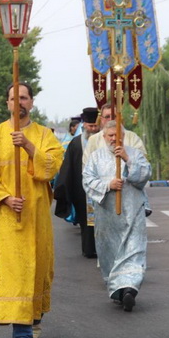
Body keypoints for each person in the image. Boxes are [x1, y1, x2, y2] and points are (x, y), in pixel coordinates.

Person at [0, 82, 63, 338]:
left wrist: (27, 146)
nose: (19, 103)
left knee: (38, 272)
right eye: (14, 98)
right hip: (8, 219)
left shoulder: (44, 135)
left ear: (32, 102)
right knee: (15, 274)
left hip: (36, 218)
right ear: (7, 103)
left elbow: (51, 167)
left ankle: (35, 318)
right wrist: (5, 197)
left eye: (24, 98)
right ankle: (22, 336)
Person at [82, 120, 151, 312]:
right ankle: (119, 290)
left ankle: (130, 288)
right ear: (104, 137)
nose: (114, 139)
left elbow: (145, 174)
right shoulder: (95, 157)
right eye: (110, 136)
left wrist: (128, 160)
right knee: (111, 254)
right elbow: (87, 180)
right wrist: (108, 185)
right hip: (107, 216)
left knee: (134, 250)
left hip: (132, 213)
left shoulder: (135, 154)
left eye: (117, 135)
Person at [54, 107, 99, 258]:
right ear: (84, 125)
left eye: (95, 126)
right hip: (81, 187)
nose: (92, 129)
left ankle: (103, 248)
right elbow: (68, 167)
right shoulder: (75, 143)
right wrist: (65, 188)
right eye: (89, 126)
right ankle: (88, 249)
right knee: (85, 219)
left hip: (100, 186)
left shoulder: (103, 140)